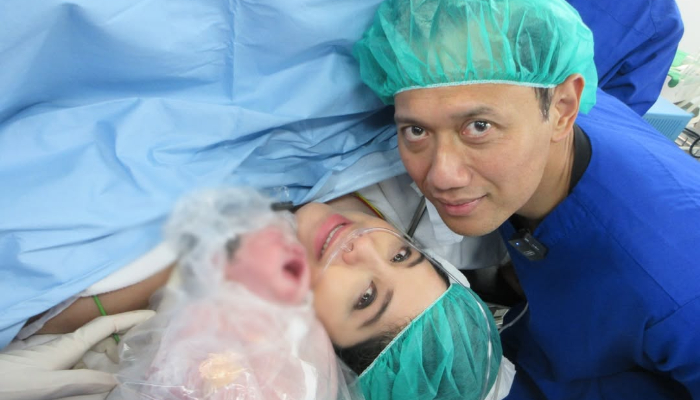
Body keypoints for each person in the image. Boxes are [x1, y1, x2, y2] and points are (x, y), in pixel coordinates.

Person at [352, 0, 700, 399]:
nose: (440, 176)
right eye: (416, 131)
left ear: (564, 109)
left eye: (478, 127)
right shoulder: (533, 103)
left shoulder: (677, 290)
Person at [1, 187, 515, 400]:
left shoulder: (165, 288)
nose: (365, 245)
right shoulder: (377, 171)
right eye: (402, 256)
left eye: (365, 298)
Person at [566, 0, 684, 115]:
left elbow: (617, 109)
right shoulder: (661, 19)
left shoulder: (662, 22)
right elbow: (615, 113)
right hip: (565, 113)